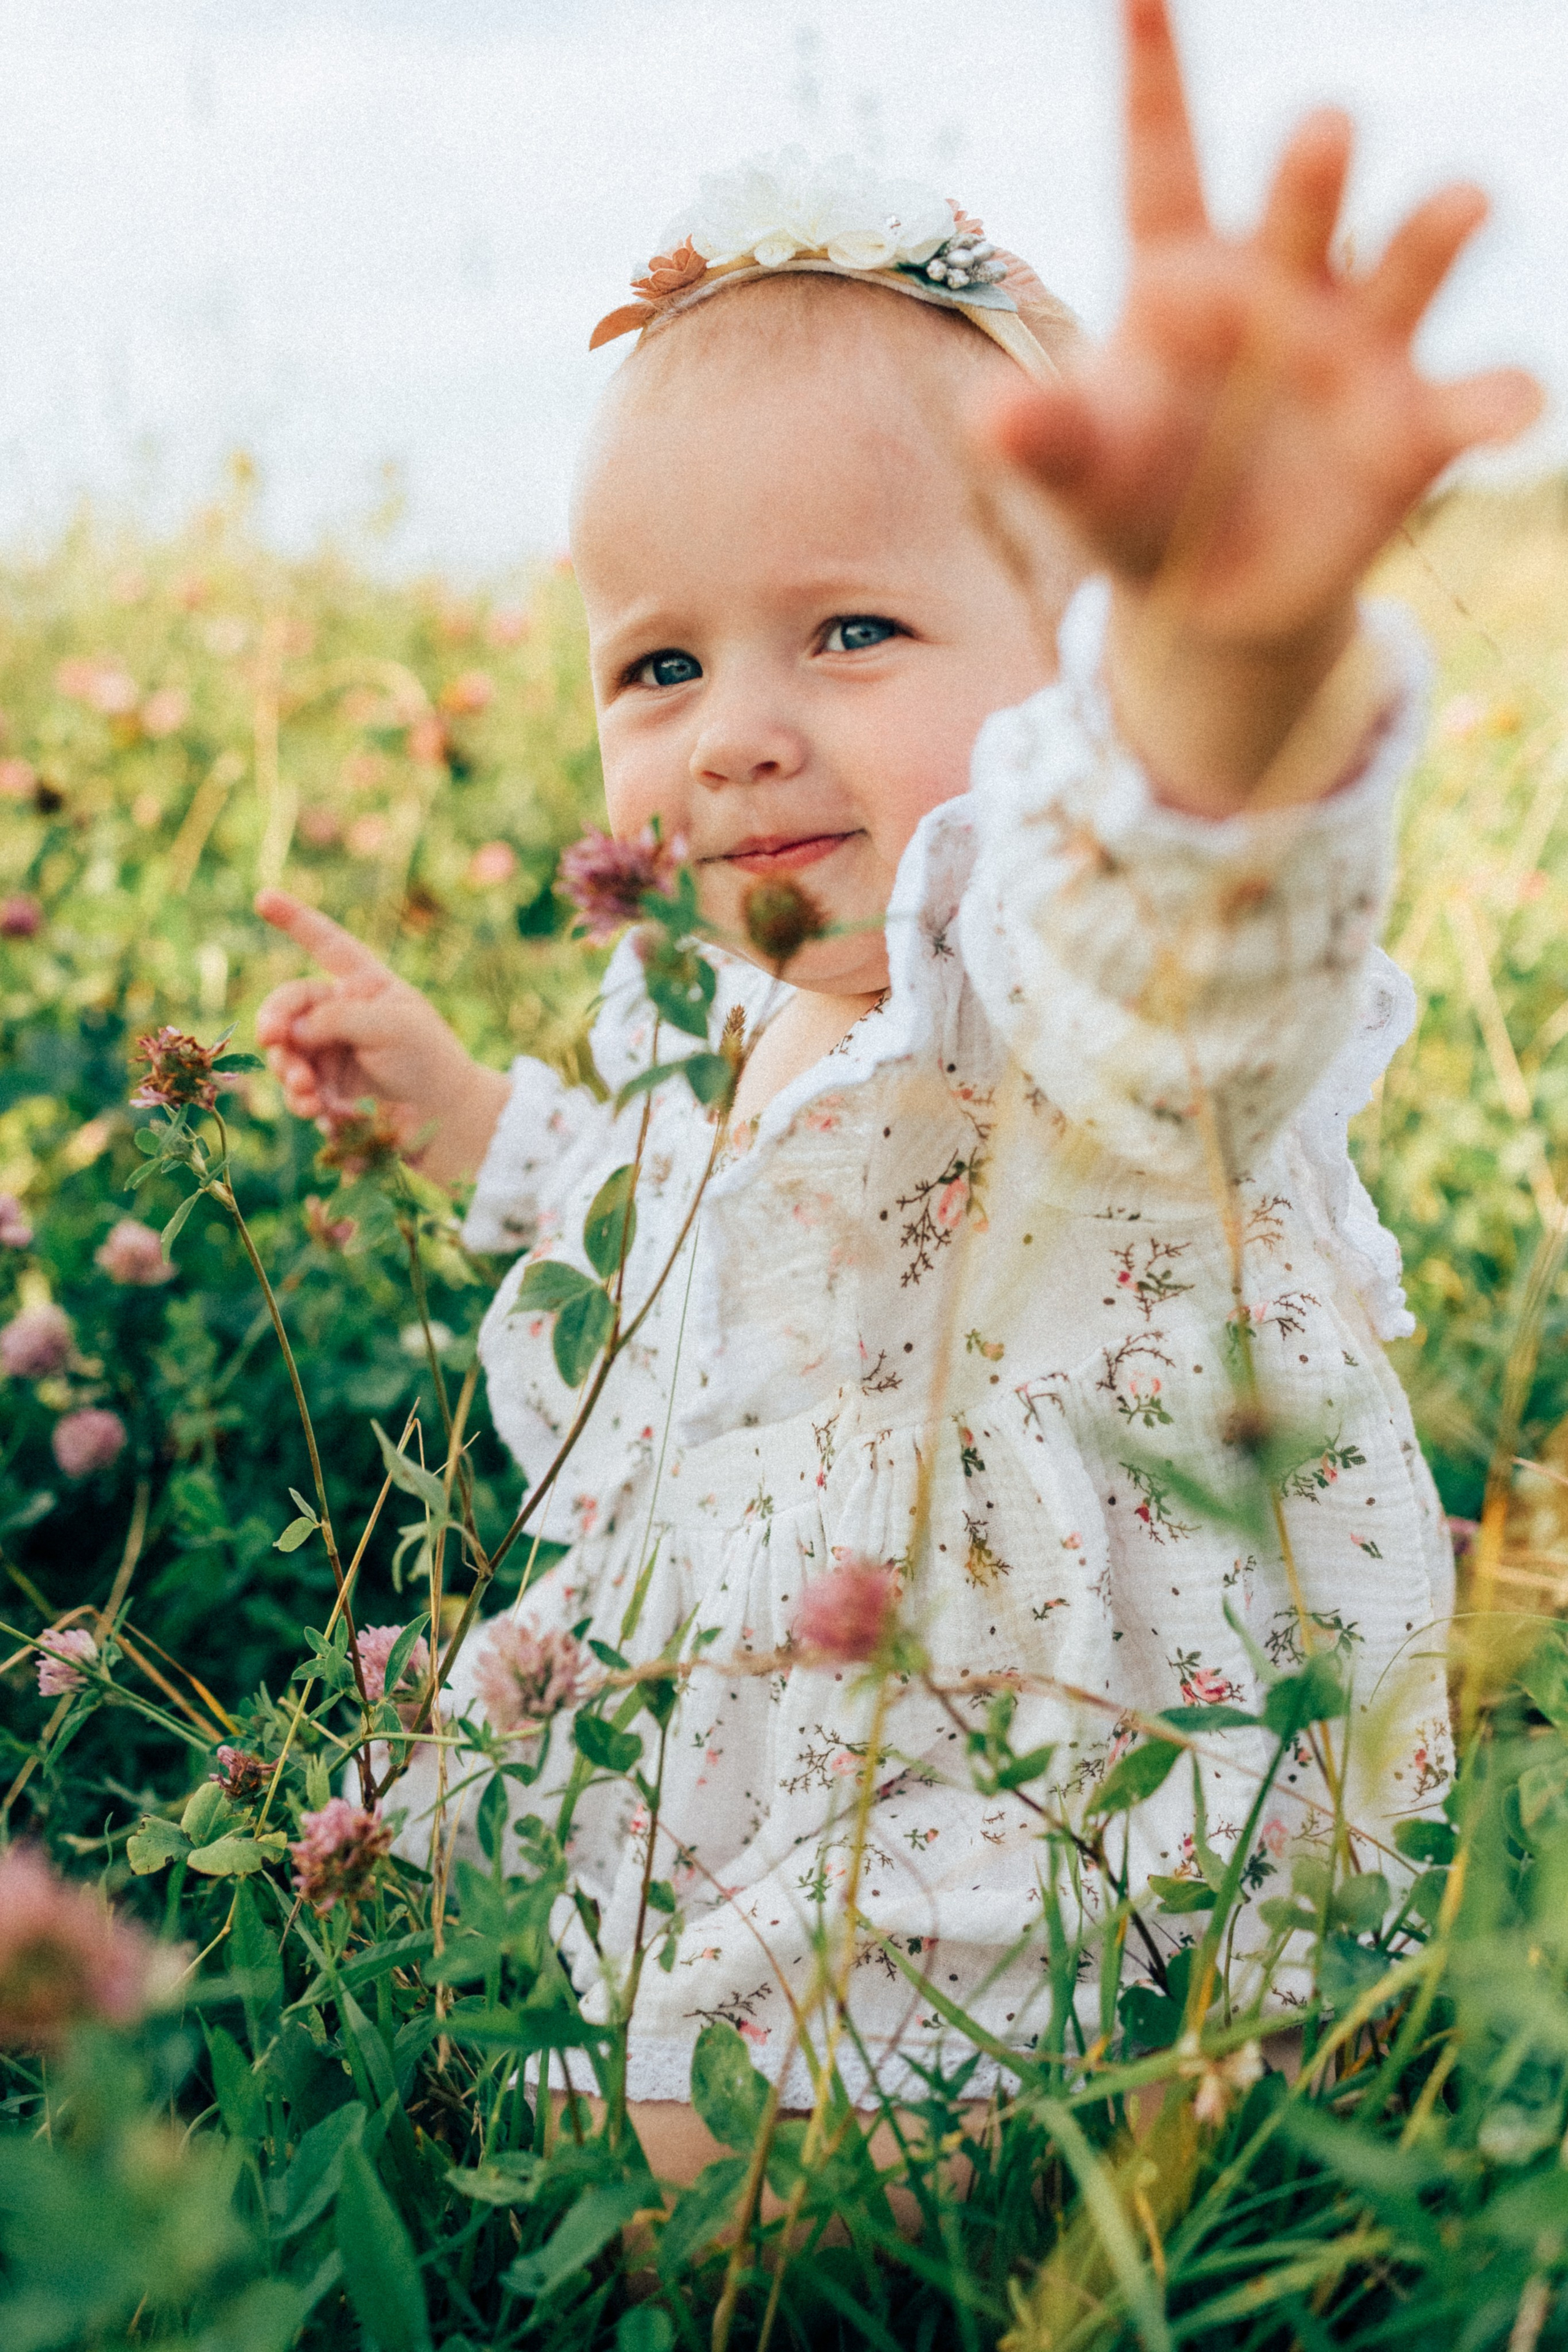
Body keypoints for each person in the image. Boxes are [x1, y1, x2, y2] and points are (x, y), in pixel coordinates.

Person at [255, 0, 1538, 2182]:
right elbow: (678, 1238)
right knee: (471, 1987)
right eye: (660, 665)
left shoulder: (1036, 943)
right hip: (761, 1697)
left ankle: (1104, 2120)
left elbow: (1198, 957)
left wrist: (1225, 681)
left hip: (1076, 1719)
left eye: (849, 631)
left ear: (1069, 674)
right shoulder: (706, 1005)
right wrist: (481, 1122)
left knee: (729, 2140)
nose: (735, 732)